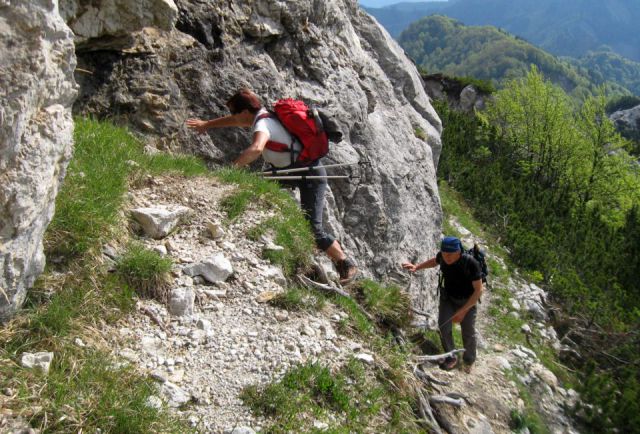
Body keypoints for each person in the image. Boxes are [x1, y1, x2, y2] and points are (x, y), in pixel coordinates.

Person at [186, 88, 358, 284]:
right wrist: (207, 124)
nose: (234, 118)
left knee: (313, 229)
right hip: (290, 172)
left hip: (309, 175)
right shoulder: (265, 116)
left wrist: (230, 170)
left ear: (245, 112)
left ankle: (346, 264)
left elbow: (257, 148)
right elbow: (234, 121)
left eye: (236, 113)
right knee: (255, 188)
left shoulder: (263, 123)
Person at [402, 236, 483, 372]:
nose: (447, 257)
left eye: (450, 254)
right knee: (443, 326)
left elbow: (479, 290)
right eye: (444, 253)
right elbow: (435, 261)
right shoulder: (442, 257)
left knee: (468, 331)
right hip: (449, 298)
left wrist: (462, 311)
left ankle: (469, 360)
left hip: (468, 300)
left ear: (459, 252)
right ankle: (451, 356)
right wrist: (417, 267)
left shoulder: (471, 263)